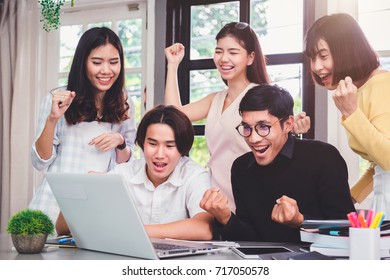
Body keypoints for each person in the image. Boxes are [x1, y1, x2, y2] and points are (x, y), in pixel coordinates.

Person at [165, 22, 311, 212]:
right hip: (216, 201)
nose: (224, 58)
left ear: (250, 58)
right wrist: (173, 65)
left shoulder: (261, 97)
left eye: (233, 52)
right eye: (219, 51)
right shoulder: (215, 99)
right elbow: (171, 115)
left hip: (250, 200)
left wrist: (297, 127)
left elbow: (282, 136)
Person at [200, 84, 355, 243]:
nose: (253, 139)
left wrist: (300, 221)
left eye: (264, 127)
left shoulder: (323, 157)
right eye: (247, 128)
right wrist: (224, 217)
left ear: (287, 125)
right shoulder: (241, 168)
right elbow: (249, 240)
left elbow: (345, 230)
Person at [56, 105, 213, 240]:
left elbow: (204, 229)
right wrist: (81, 193)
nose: (159, 154)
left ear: (182, 148)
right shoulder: (124, 173)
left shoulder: (195, 175)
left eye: (170, 146)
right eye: (152, 144)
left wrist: (135, 232)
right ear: (142, 143)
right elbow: (62, 229)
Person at [29, 27, 137, 223]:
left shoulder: (126, 104)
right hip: (56, 205)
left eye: (114, 62)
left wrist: (120, 142)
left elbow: (127, 164)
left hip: (99, 206)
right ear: (83, 63)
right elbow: (39, 161)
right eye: (97, 62)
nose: (106, 70)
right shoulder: (58, 99)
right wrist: (52, 118)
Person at [304, 13, 390, 215]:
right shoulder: (360, 89)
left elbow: (388, 158)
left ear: (347, 51)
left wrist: (351, 113)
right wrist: (350, 197)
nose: (316, 67)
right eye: (313, 58)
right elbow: (377, 161)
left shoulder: (382, 85)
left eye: (323, 56)